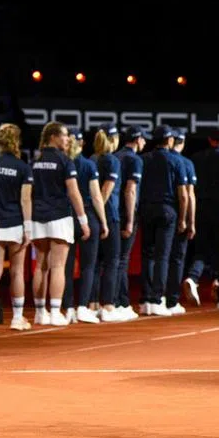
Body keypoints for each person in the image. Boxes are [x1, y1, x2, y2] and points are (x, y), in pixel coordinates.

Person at [29, 122, 90, 326]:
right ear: (53, 137)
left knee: (41, 266)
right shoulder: (65, 161)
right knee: (57, 266)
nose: (67, 139)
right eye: (64, 135)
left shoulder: (35, 162)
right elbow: (73, 192)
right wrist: (83, 220)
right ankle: (55, 312)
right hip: (59, 217)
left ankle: (40, 313)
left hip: (38, 217)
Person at [0, 123, 33, 332]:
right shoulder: (23, 167)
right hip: (15, 224)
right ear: (16, 141)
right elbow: (25, 200)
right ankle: (18, 318)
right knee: (17, 272)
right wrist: (28, 229)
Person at [185, 127, 219, 310]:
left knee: (201, 250)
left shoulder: (196, 159)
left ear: (210, 139)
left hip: (200, 209)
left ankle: (192, 277)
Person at [136, 125, 188, 316]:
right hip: (167, 211)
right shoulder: (176, 161)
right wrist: (183, 218)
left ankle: (146, 299)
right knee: (162, 256)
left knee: (147, 254)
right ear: (170, 141)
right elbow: (183, 194)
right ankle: (157, 299)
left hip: (147, 210)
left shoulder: (143, 160)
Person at [62, 128, 108, 324]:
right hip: (87, 215)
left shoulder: (62, 163)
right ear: (81, 144)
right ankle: (83, 306)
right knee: (89, 265)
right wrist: (104, 222)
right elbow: (97, 196)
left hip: (65, 216)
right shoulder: (89, 165)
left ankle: (68, 308)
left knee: (66, 265)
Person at [92, 124, 133, 322]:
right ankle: (108, 305)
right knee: (112, 261)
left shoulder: (92, 159)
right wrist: (101, 216)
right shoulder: (113, 161)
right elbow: (105, 192)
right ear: (113, 139)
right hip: (108, 215)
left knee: (94, 263)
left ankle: (91, 305)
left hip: (93, 215)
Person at [114, 127, 146, 317]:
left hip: (111, 213)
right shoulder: (135, 160)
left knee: (111, 260)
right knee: (121, 260)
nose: (144, 143)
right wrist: (130, 220)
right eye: (143, 139)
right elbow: (130, 190)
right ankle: (121, 303)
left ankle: (109, 301)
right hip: (125, 214)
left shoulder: (115, 157)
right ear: (137, 139)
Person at [163, 128, 196, 315]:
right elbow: (188, 195)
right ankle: (172, 300)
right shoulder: (183, 162)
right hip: (176, 216)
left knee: (157, 256)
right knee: (175, 258)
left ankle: (154, 297)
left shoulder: (154, 159)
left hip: (154, 213)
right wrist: (189, 221)